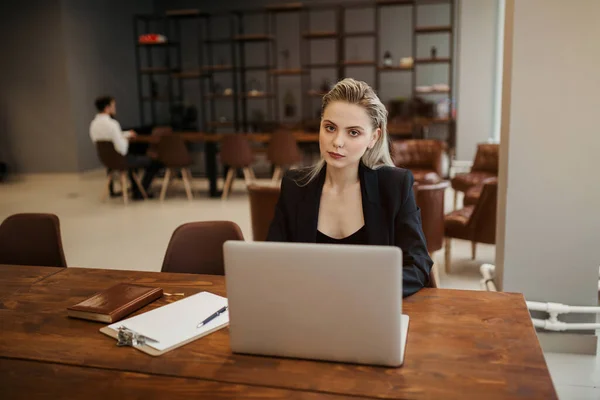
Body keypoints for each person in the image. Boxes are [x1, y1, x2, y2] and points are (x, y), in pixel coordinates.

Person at [267, 78, 433, 297]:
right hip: (308, 306)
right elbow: (271, 261)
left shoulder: (394, 186)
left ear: (373, 138)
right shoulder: (295, 185)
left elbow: (418, 265)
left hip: (371, 306)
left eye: (353, 132)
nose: (337, 141)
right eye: (330, 128)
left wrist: (366, 291)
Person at [89, 96, 161, 200]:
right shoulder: (112, 124)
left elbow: (108, 138)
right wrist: (125, 139)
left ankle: (136, 190)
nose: (115, 109)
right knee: (153, 162)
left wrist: (124, 134)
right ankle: (141, 192)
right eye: (113, 106)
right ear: (107, 108)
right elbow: (122, 149)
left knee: (133, 162)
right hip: (121, 159)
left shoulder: (93, 124)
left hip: (106, 160)